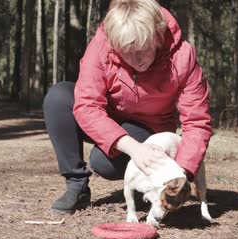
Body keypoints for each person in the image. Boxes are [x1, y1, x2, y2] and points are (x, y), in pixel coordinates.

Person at [43, 0, 212, 214]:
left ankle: (149, 182)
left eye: (142, 50)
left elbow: (197, 121)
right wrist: (132, 148)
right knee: (58, 97)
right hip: (107, 117)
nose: (135, 60)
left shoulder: (182, 57)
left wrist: (182, 174)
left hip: (149, 127)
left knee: (103, 162)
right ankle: (77, 185)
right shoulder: (101, 45)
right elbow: (87, 105)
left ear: (157, 35)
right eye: (126, 52)